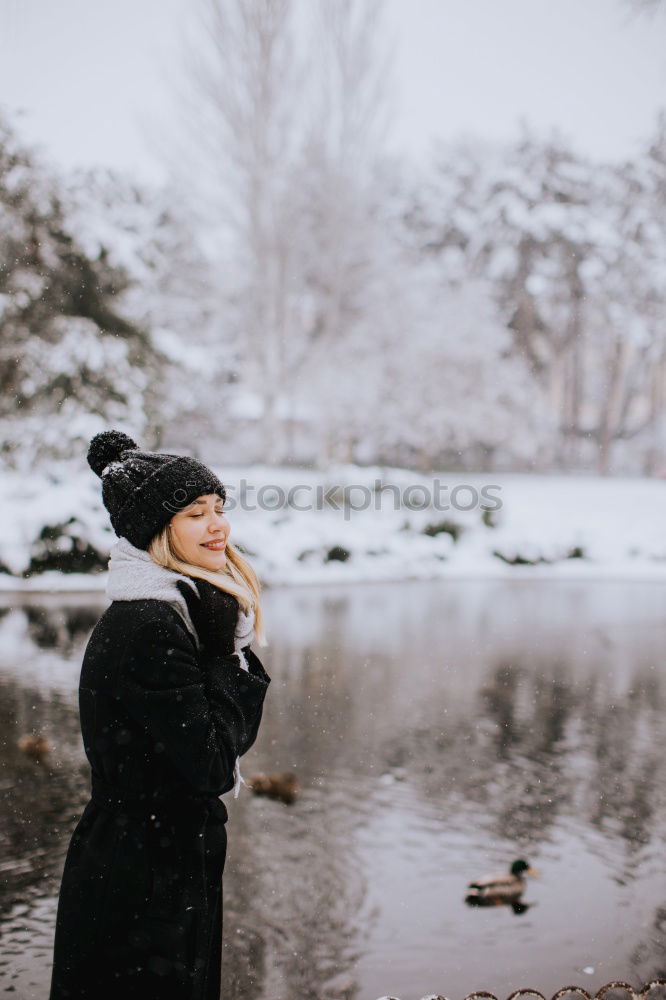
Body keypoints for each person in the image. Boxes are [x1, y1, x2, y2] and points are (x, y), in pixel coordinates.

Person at [48, 429, 271, 1000]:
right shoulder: (149, 626)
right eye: (196, 514)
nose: (218, 525)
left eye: (220, 509)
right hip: (142, 882)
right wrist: (226, 657)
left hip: (155, 864)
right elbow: (213, 765)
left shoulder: (175, 615)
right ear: (157, 529)